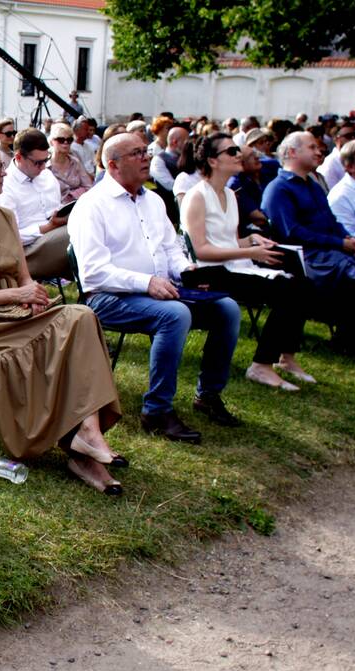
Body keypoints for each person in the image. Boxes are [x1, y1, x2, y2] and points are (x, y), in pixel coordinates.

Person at [0, 138, 125, 494]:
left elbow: (24, 276)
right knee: (77, 320)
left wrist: (34, 295)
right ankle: (83, 445)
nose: (3, 172)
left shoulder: (5, 214)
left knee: (81, 317)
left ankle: (87, 432)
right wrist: (16, 293)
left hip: (19, 314)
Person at [69, 132, 242, 444]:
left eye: (146, 151)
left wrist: (186, 270)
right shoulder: (91, 206)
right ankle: (157, 411)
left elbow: (171, 247)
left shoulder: (153, 200)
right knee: (174, 315)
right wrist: (146, 282)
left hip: (160, 289)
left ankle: (209, 395)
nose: (146, 158)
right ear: (113, 165)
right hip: (109, 297)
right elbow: (93, 272)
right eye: (136, 154)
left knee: (226, 309)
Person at [181, 133, 315, 391]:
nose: (238, 154)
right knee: (288, 289)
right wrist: (249, 253)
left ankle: (286, 357)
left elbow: (228, 242)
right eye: (231, 151)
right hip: (208, 273)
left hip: (232, 265)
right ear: (212, 160)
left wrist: (251, 240)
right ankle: (261, 366)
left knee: (301, 282)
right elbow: (201, 251)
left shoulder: (230, 195)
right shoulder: (197, 196)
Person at [262, 131, 355, 360]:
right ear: (293, 152)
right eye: (312, 147)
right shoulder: (279, 188)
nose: (319, 151)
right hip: (308, 257)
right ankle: (350, 337)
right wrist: (340, 243)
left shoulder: (312, 185)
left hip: (329, 250)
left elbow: (331, 222)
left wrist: (348, 239)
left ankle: (354, 335)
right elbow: (293, 233)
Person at [0, 129, 71, 280]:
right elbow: (7, 238)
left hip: (52, 238)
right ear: (19, 157)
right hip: (25, 252)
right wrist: (48, 227)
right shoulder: (5, 186)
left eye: (46, 160)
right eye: (38, 162)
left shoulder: (46, 176)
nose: (43, 167)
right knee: (73, 234)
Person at [47, 124, 92, 204]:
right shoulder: (45, 166)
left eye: (69, 140)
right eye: (60, 140)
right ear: (51, 142)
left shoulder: (75, 162)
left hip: (77, 206)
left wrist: (72, 195)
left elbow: (88, 187)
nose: (65, 142)